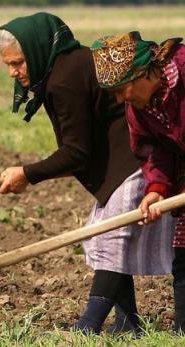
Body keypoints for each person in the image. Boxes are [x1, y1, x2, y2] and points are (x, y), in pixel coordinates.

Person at [0, 13, 175, 334]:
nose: (13, 72)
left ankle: (88, 326)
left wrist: (27, 173)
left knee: (110, 238)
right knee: (106, 238)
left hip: (136, 159)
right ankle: (128, 323)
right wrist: (30, 173)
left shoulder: (64, 80)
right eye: (8, 64)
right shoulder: (66, 66)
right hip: (121, 162)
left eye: (18, 63)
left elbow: (76, 152)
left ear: (35, 51)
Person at [91, 31, 184, 331]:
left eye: (122, 89)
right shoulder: (139, 110)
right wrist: (156, 190)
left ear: (143, 73)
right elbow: (152, 151)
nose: (121, 99)